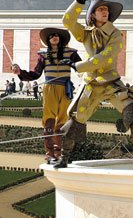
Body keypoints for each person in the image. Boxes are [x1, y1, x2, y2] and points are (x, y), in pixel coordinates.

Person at [57, 0, 133, 170]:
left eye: (106, 9)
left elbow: (105, 57)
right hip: (92, 84)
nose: (105, 12)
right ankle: (64, 157)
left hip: (111, 83)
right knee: (75, 120)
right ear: (92, 14)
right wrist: (79, 1)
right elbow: (67, 21)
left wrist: (79, 66)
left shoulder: (116, 34)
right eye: (101, 9)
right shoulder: (86, 33)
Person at [12, 28, 81, 163]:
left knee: (63, 121)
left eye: (56, 36)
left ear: (60, 39)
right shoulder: (43, 55)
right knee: (49, 120)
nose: (54, 37)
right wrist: (20, 72)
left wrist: (75, 65)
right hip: (50, 88)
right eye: (51, 36)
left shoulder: (71, 53)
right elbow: (36, 74)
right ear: (48, 40)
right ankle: (49, 152)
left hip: (65, 88)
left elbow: (80, 66)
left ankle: (59, 152)